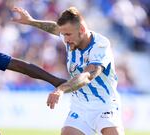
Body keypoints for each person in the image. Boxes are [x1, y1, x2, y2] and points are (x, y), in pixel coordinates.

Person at [12, 7, 124, 135]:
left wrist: (61, 89)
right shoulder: (71, 38)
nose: (65, 39)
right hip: (80, 107)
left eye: (68, 35)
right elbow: (55, 28)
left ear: (81, 30)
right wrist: (31, 21)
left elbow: (87, 76)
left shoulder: (101, 45)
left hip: (105, 106)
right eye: (63, 34)